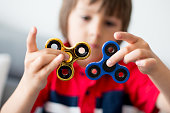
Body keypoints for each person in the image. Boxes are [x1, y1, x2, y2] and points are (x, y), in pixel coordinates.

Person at [1, 0, 170, 113]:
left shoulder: (130, 71)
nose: (95, 32)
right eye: (85, 17)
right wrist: (28, 84)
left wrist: (157, 70)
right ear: (66, 19)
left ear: (123, 29)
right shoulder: (50, 68)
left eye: (109, 23)